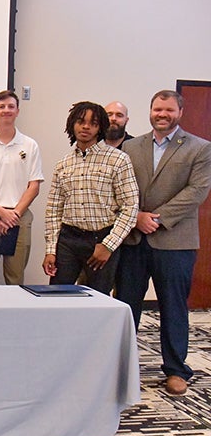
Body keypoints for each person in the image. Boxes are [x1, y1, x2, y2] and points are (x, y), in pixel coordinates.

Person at [116, 90, 211, 396]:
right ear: (150, 111)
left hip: (175, 241)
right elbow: (120, 187)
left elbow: (196, 192)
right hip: (133, 239)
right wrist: (136, 217)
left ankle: (176, 370)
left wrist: (155, 219)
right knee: (126, 305)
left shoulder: (200, 148)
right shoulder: (131, 146)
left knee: (173, 307)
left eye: (169, 110)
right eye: (158, 109)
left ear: (179, 113)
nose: (162, 114)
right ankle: (121, 367)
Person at [42, 101, 138, 294]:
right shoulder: (64, 164)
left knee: (98, 299)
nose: (86, 127)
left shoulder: (118, 160)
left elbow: (130, 206)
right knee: (57, 295)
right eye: (81, 121)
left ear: (100, 127)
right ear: (72, 124)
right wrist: (51, 250)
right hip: (68, 240)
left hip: (101, 238)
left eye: (93, 123)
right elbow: (54, 210)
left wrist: (108, 245)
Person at [0, 91, 44, 285]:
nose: (6, 110)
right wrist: (1, 212)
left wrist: (14, 214)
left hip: (19, 216)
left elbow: (34, 185)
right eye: (1, 107)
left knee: (15, 278)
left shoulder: (30, 145)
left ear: (17, 111)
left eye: (11, 106)